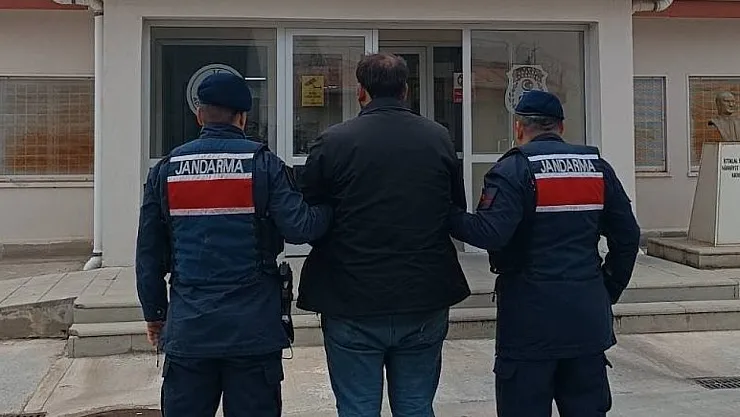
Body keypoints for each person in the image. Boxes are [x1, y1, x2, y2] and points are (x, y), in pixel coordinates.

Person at [135, 72, 332, 417]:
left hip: (190, 330)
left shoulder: (167, 169)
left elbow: (148, 256)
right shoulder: (264, 164)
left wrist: (155, 315)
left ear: (200, 116)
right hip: (253, 331)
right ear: (242, 117)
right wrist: (332, 207)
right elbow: (301, 228)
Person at [296, 52, 471, 417]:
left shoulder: (333, 141)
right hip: (424, 294)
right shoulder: (438, 138)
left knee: (358, 409)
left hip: (351, 297)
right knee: (416, 406)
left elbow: (312, 219)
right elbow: (453, 208)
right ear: (405, 90)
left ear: (361, 91)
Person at [449, 90, 640, 417]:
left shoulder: (513, 170)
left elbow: (490, 233)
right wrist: (607, 288)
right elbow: (628, 236)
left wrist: (447, 215)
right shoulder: (597, 168)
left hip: (529, 322)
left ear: (519, 127)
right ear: (561, 127)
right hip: (586, 319)